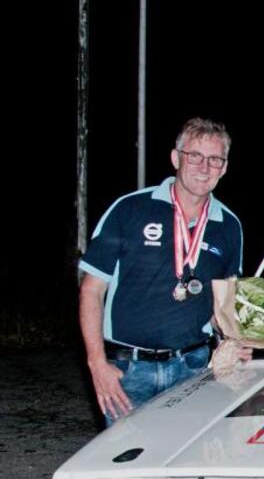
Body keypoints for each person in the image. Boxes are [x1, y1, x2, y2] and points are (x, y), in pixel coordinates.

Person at [79, 118, 245, 424]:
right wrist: (97, 363)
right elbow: (92, 290)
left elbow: (222, 304)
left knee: (185, 464)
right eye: (194, 156)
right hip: (130, 372)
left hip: (193, 369)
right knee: (125, 464)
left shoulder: (229, 226)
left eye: (214, 160)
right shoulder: (130, 210)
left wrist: (234, 342)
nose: (203, 167)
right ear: (175, 158)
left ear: (224, 168)